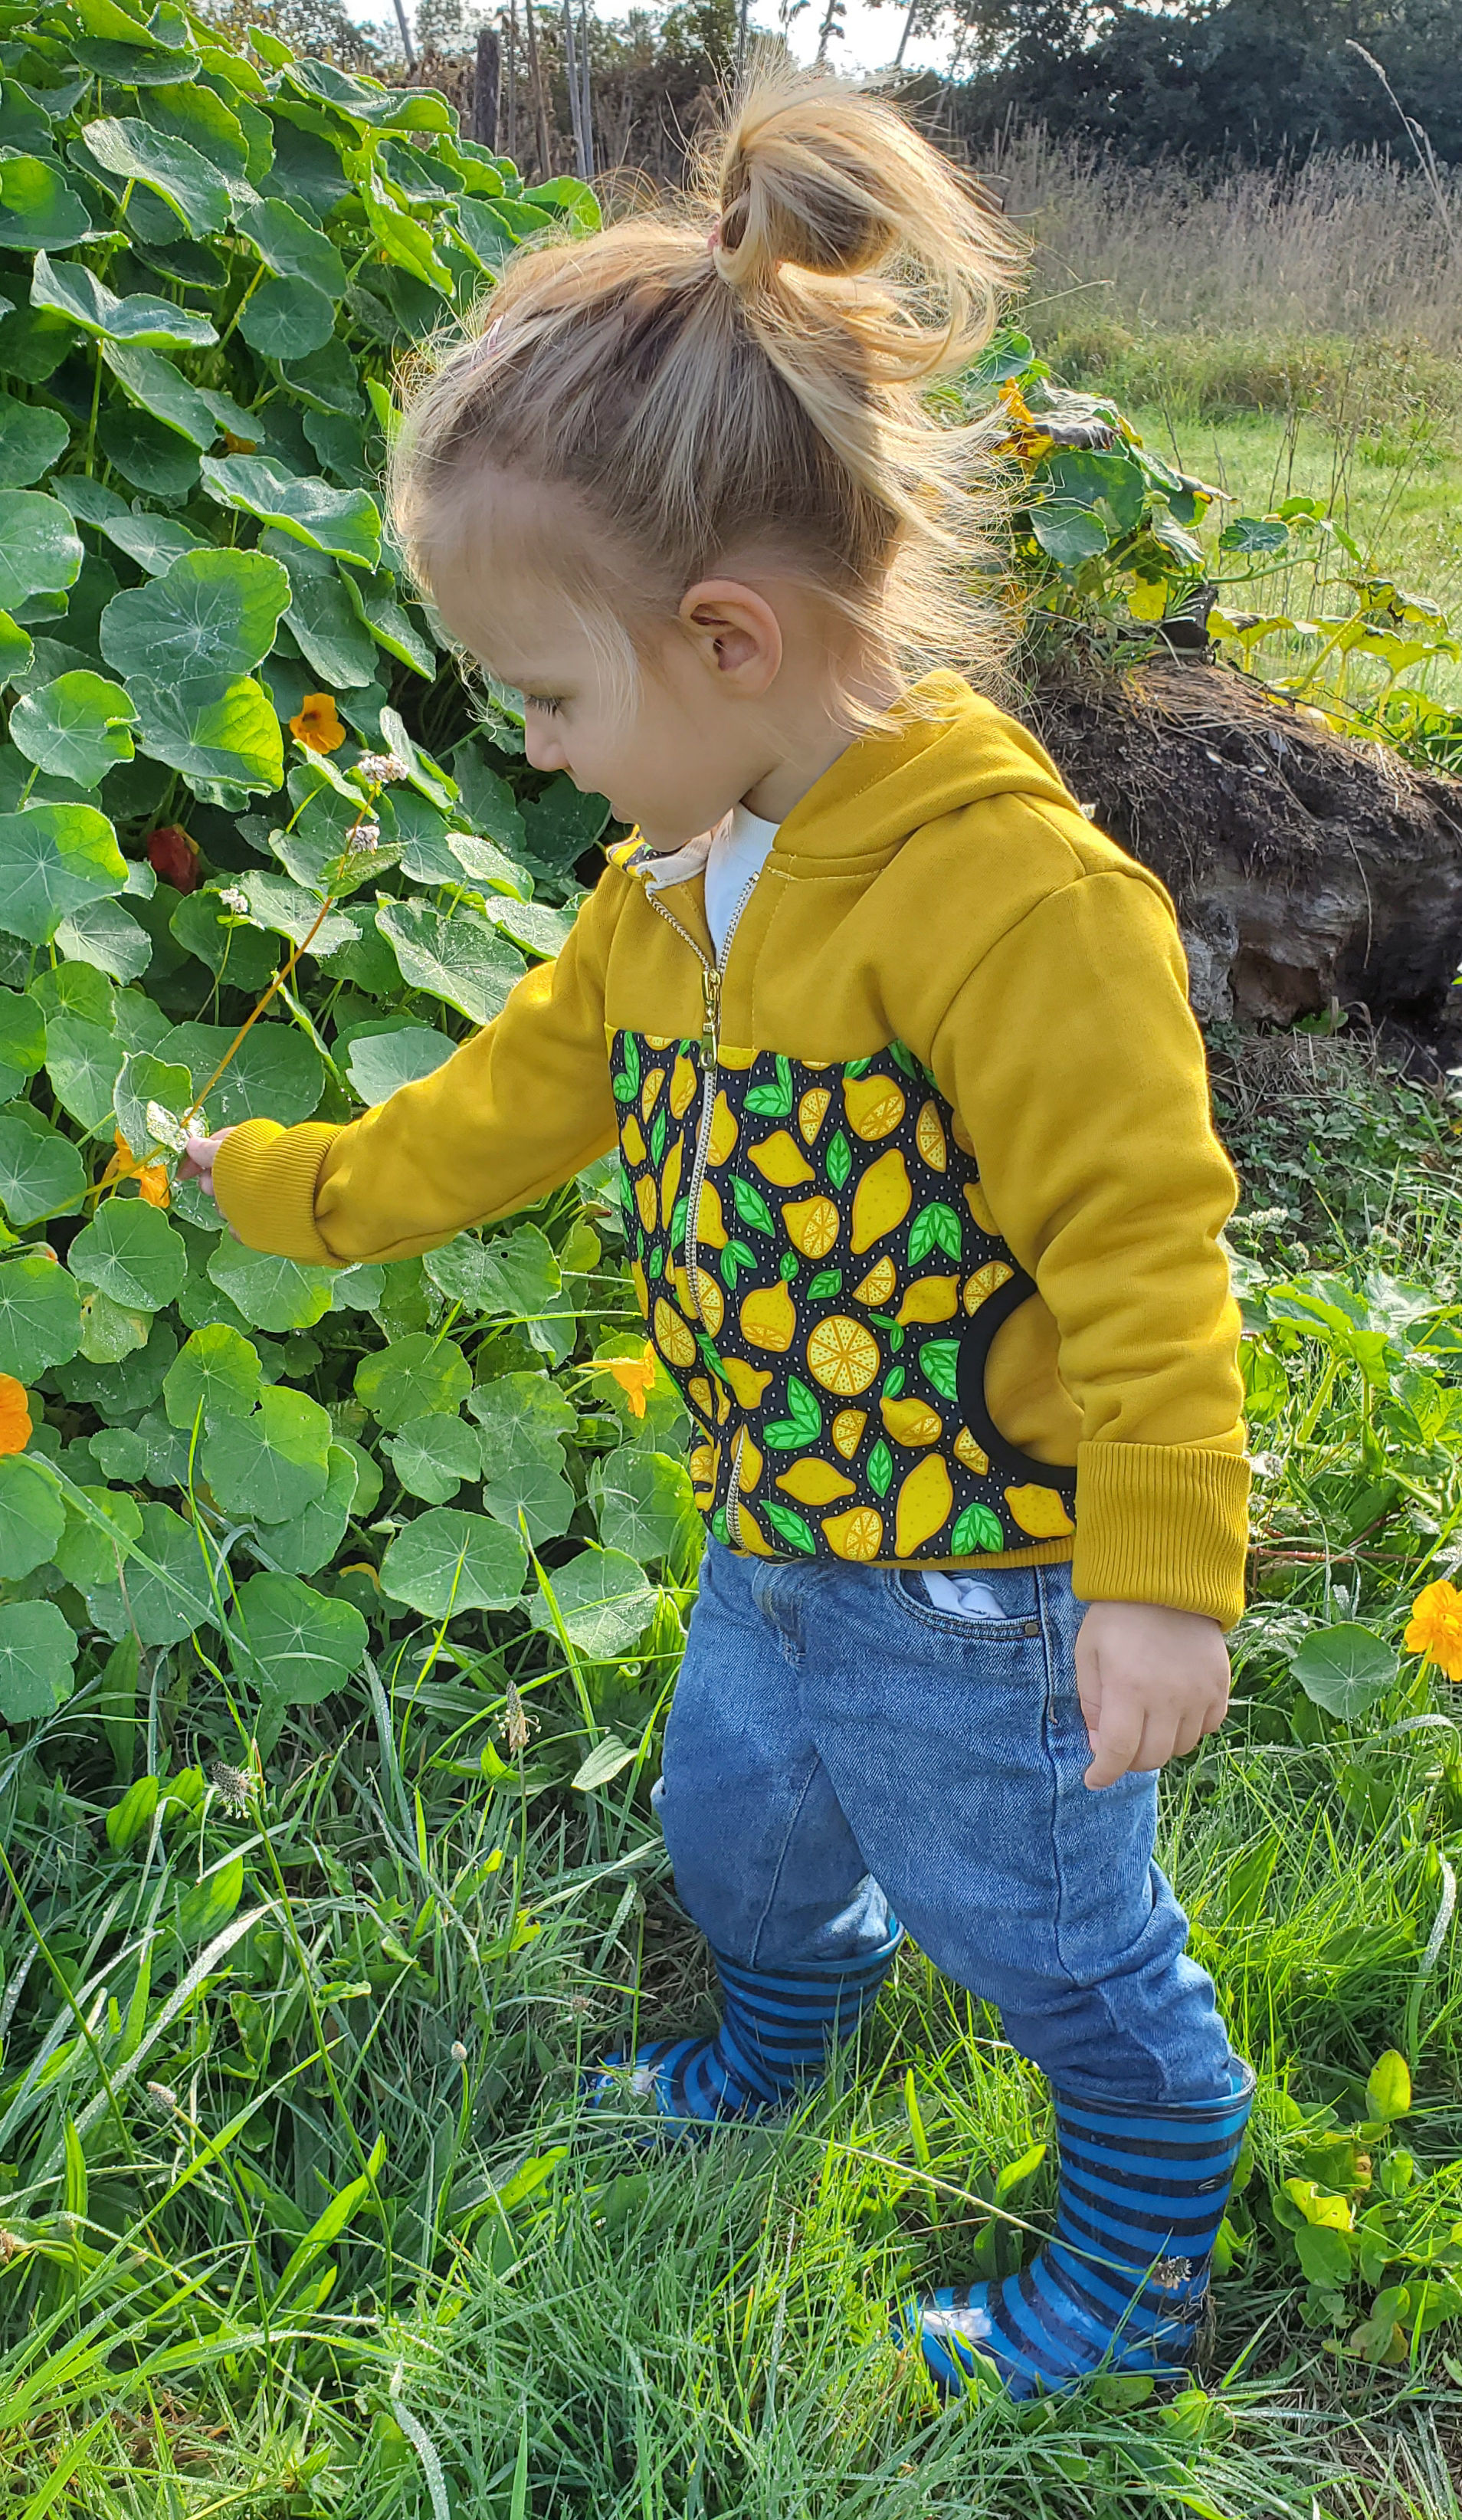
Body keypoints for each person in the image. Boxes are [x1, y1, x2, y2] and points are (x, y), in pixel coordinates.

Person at [184, 62, 1255, 2400]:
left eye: (550, 698)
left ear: (729, 640)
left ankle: (1144, 2234)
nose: (537, 749)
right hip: (782, 1522)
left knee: (1045, 1934)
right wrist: (291, 1191)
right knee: (737, 1821)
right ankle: (777, 2042)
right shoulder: (672, 883)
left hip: (995, 1575)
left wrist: (1162, 1568)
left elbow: (1146, 1240)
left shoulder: (1009, 904)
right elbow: (509, 1105)